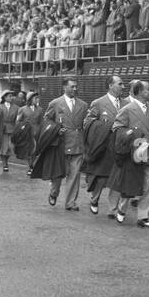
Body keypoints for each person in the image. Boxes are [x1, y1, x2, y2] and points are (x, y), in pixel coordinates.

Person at [110, 79, 149, 228]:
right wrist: (131, 135)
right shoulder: (127, 109)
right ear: (140, 92)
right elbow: (117, 128)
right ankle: (122, 208)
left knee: (148, 187)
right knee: (131, 184)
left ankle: (143, 216)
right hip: (133, 154)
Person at [42, 78, 88, 209]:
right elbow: (46, 121)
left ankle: (70, 202)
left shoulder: (83, 105)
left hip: (77, 144)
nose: (75, 89)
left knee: (75, 175)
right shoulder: (55, 103)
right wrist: (56, 129)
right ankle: (54, 192)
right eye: (72, 87)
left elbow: (86, 124)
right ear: (64, 88)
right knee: (59, 173)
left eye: (76, 87)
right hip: (61, 144)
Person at [82, 75, 124, 216]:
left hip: (120, 147)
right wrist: (104, 127)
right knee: (101, 177)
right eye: (120, 84)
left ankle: (113, 209)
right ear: (110, 86)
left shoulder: (126, 104)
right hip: (104, 146)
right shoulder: (98, 103)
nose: (122, 86)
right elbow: (87, 122)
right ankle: (94, 199)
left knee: (118, 178)